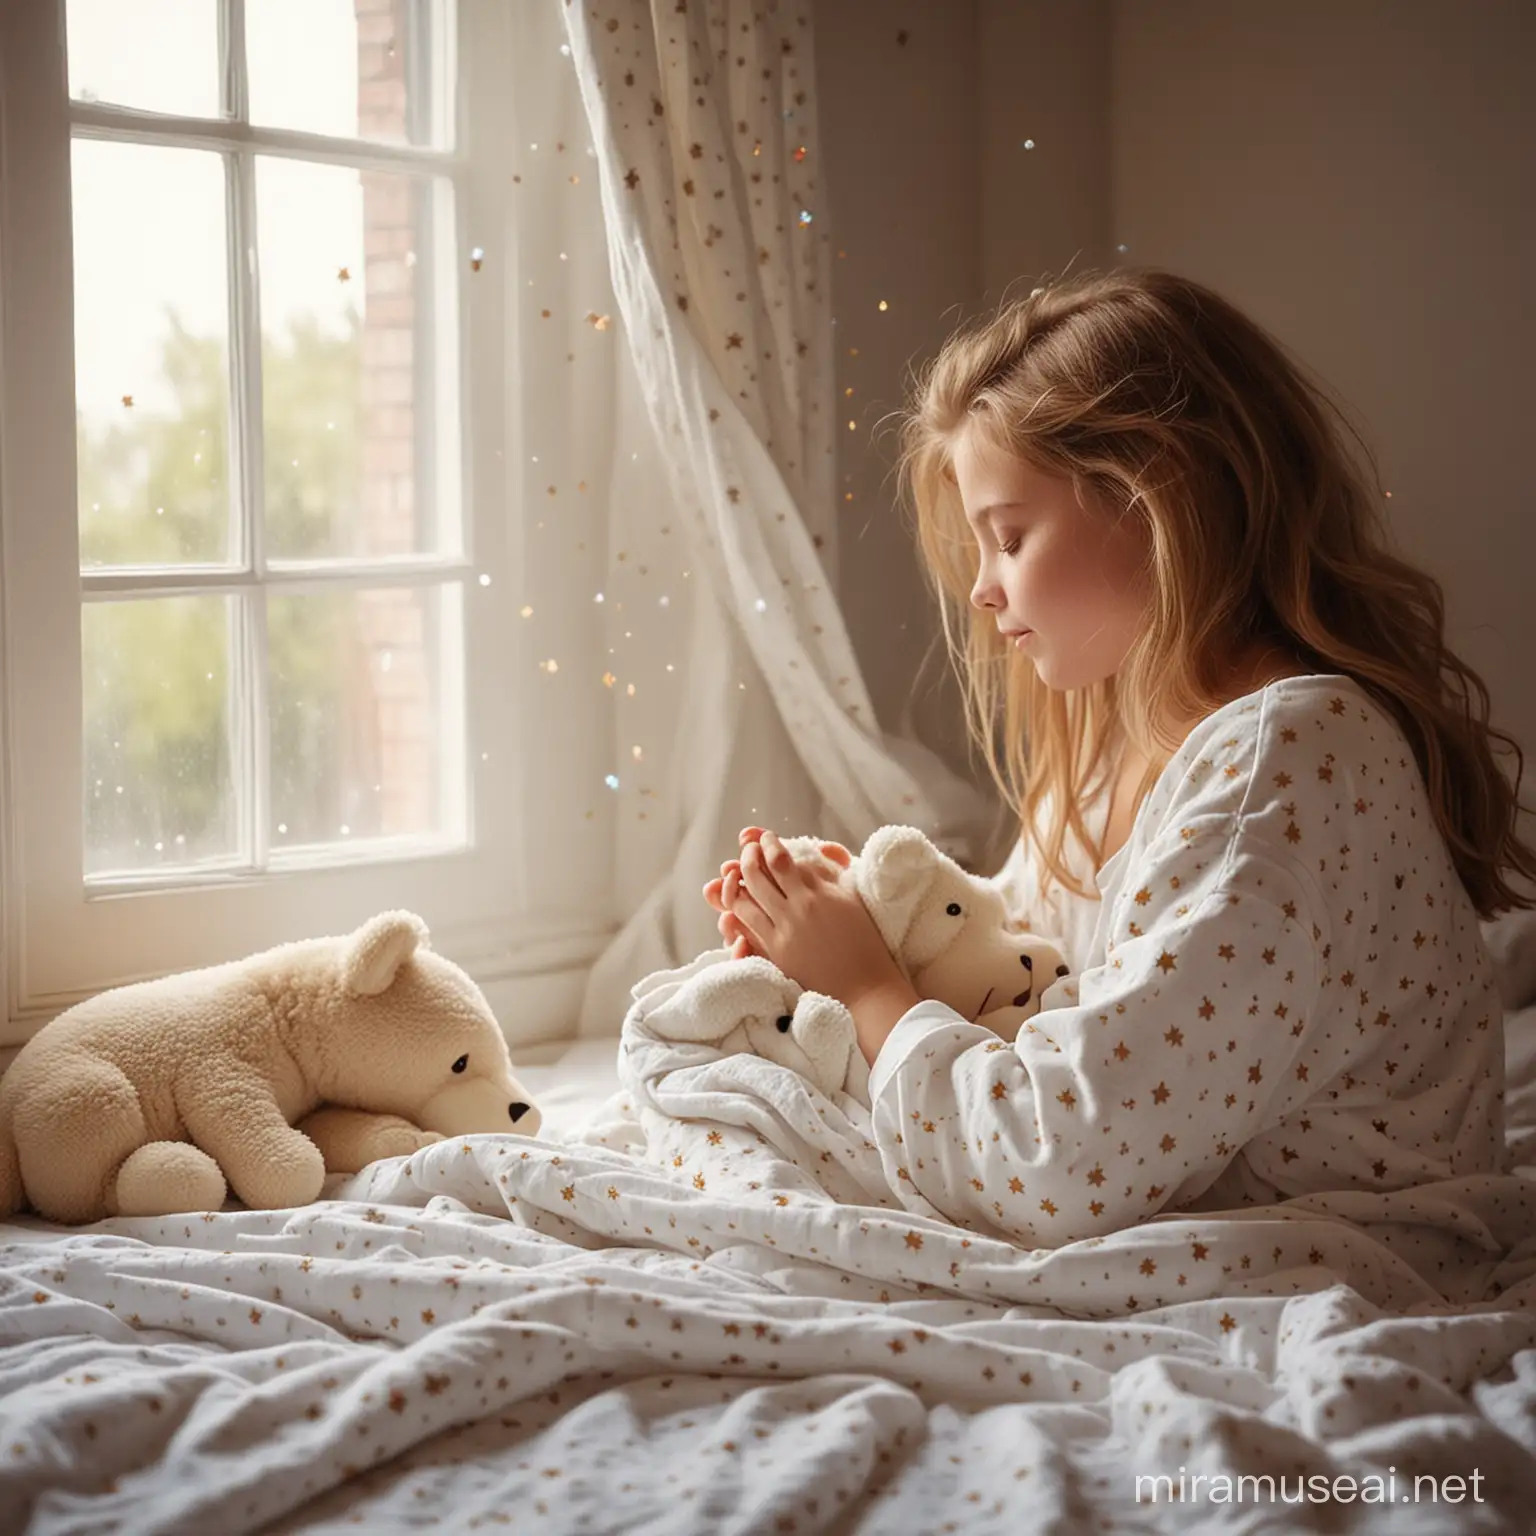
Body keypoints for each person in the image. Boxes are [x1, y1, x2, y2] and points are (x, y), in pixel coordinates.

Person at [701, 266, 1536, 1248]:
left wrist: (869, 987)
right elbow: (1032, 969)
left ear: (1156, 503)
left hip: (1338, 1241)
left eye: (1008, 538)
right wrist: (881, 925)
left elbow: (1056, 1160)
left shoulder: (1287, 759)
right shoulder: (1124, 739)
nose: (982, 589)